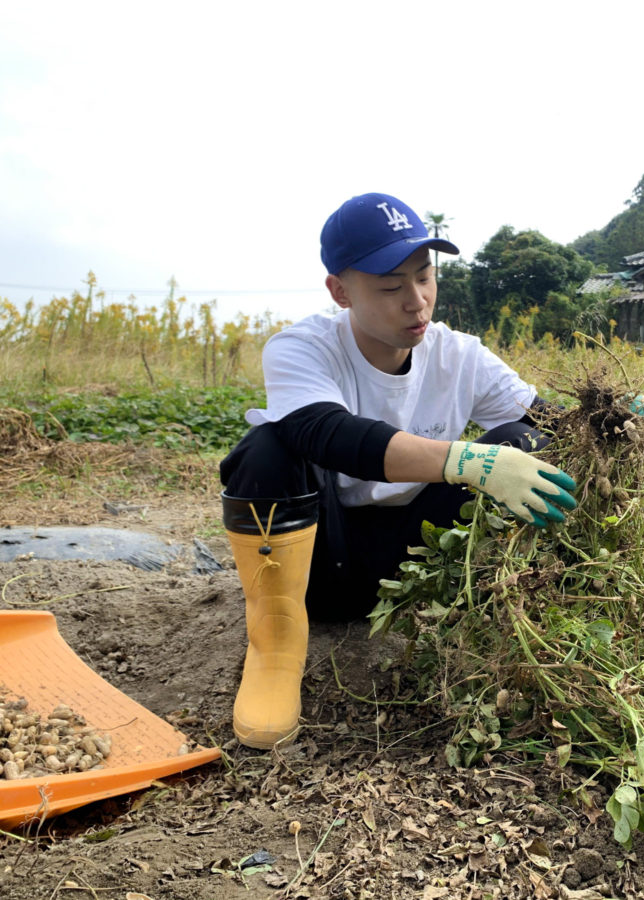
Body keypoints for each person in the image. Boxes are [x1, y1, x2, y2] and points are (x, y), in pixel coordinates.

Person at [219, 192, 577, 749]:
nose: (417, 302)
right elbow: (325, 431)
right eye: (391, 287)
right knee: (268, 446)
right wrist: (465, 459)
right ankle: (275, 650)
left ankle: (492, 606)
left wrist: (617, 418)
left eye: (425, 277)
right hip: (325, 567)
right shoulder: (303, 349)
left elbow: (550, 419)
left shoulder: (460, 355)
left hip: (424, 566)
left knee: (525, 440)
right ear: (340, 291)